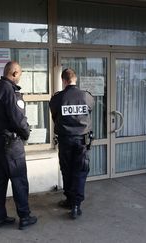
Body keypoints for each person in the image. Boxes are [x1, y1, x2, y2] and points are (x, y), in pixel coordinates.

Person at [0, 61, 37, 230]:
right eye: (20, 74)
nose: (19, 77)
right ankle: (25, 217)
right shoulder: (10, 90)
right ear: (14, 73)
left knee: (0, 179)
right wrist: (26, 133)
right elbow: (17, 118)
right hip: (10, 143)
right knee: (19, 179)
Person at [49, 68, 95, 219]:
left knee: (67, 170)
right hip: (82, 141)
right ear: (75, 79)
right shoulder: (86, 96)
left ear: (63, 81)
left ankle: (70, 200)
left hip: (65, 140)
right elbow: (90, 110)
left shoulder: (57, 98)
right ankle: (76, 205)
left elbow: (54, 116)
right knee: (80, 171)